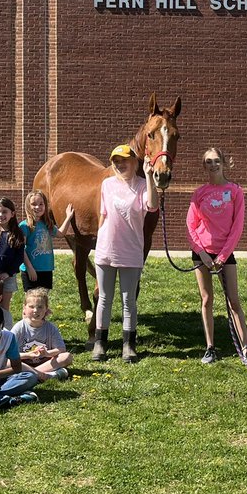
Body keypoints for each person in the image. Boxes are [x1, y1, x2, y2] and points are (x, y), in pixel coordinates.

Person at [186, 146, 247, 369]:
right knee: (206, 300)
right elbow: (191, 225)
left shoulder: (235, 191)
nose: (213, 165)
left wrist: (222, 255)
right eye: (208, 161)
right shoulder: (199, 193)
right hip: (202, 253)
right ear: (204, 165)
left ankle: (246, 350)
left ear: (224, 163)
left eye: (216, 161)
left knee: (234, 301)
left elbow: (237, 227)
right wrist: (201, 252)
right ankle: (210, 347)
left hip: (224, 253)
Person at [92, 143, 159, 362]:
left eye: (124, 161)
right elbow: (103, 214)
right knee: (104, 298)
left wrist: (149, 177)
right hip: (106, 249)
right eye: (116, 162)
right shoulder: (107, 184)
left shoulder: (141, 185)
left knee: (128, 300)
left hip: (130, 250)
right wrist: (100, 242)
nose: (120, 165)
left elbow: (152, 205)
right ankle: (100, 344)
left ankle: (128, 345)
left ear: (134, 162)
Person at [12, 288, 73, 381]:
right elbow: (8, 352)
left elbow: (61, 349)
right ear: (24, 307)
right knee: (6, 361)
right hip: (24, 363)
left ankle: (33, 374)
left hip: (45, 363)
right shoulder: (19, 327)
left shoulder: (50, 328)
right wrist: (28, 355)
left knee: (67, 356)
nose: (36, 310)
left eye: (40, 307)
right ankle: (46, 375)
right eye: (31, 307)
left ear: (46, 309)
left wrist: (47, 353)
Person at [20, 190, 75, 293]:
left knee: (43, 301)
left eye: (41, 204)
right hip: (31, 271)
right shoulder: (24, 226)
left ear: (45, 205)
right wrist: (30, 268)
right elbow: (20, 249)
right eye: (34, 204)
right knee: (31, 300)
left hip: (46, 269)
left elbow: (60, 234)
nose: (38, 207)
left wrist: (68, 217)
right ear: (28, 206)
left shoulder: (47, 224)